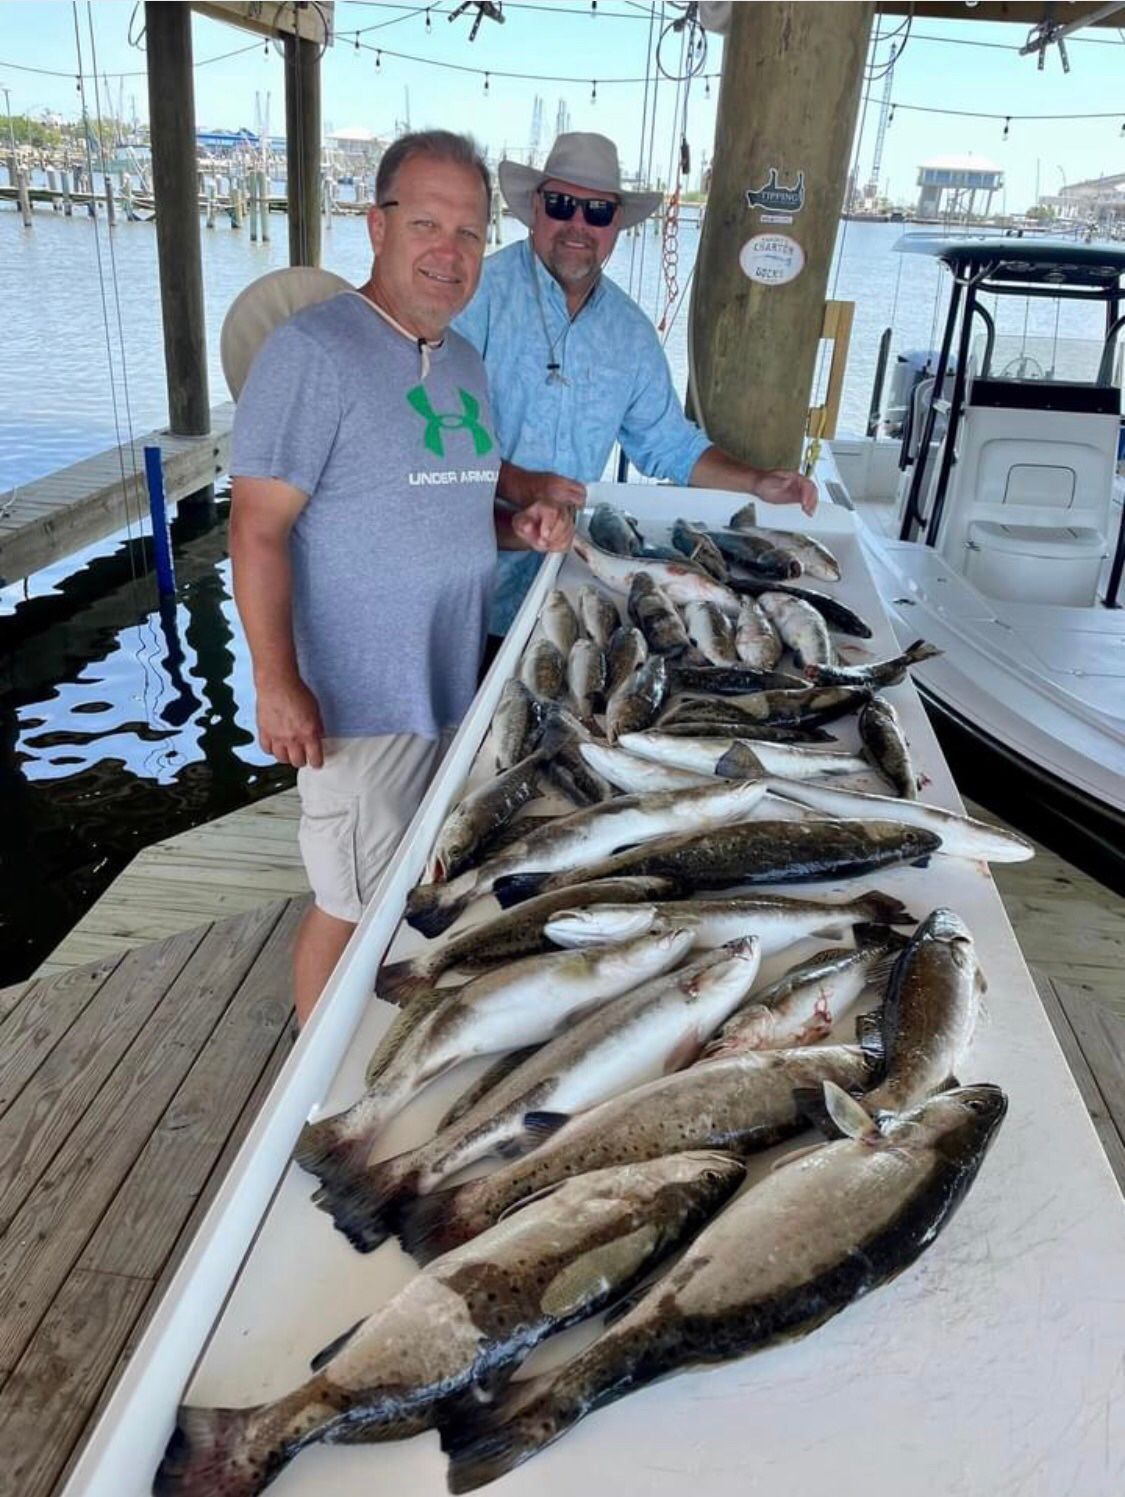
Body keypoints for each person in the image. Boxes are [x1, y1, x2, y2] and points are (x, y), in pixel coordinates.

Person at [228, 131, 570, 1024]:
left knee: (411, 883)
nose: (447, 252)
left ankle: (374, 1036)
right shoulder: (313, 353)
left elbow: (446, 509)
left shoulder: (463, 362)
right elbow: (257, 530)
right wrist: (275, 682)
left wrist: (516, 527)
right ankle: (312, 1086)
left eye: (467, 232)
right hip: (359, 702)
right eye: (425, 223)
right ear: (375, 225)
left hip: (452, 684)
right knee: (346, 903)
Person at [454, 131, 818, 647]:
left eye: (598, 211)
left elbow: (671, 444)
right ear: (536, 208)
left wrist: (757, 482)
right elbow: (428, 439)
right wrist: (520, 483)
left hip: (557, 588)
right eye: (562, 204)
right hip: (455, 582)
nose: (578, 225)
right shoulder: (475, 296)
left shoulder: (630, 332)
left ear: (617, 225)